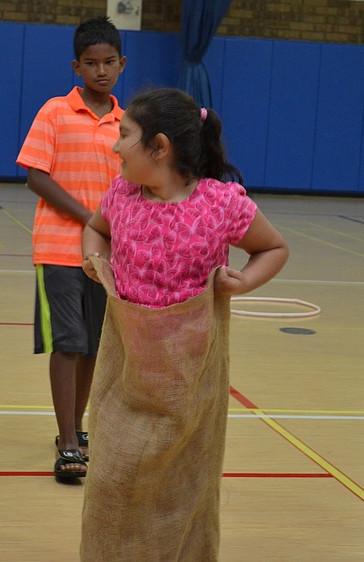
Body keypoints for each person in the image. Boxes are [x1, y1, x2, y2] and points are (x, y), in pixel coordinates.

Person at [80, 87, 289, 560]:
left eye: (125, 136)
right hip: (128, 373)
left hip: (191, 383)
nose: (115, 147)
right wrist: (95, 257)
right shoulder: (120, 196)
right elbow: (96, 229)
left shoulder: (222, 204)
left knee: (181, 489)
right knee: (112, 478)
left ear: (160, 146)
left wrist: (243, 281)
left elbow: (273, 248)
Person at [16, 16, 126, 481]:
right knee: (68, 343)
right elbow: (36, 175)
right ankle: (66, 443)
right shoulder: (55, 112)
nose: (100, 71)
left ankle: (76, 428)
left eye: (109, 62)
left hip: (105, 258)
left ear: (122, 64)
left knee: (93, 348)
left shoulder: (128, 123)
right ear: (76, 66)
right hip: (59, 250)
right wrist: (88, 218)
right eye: (91, 63)